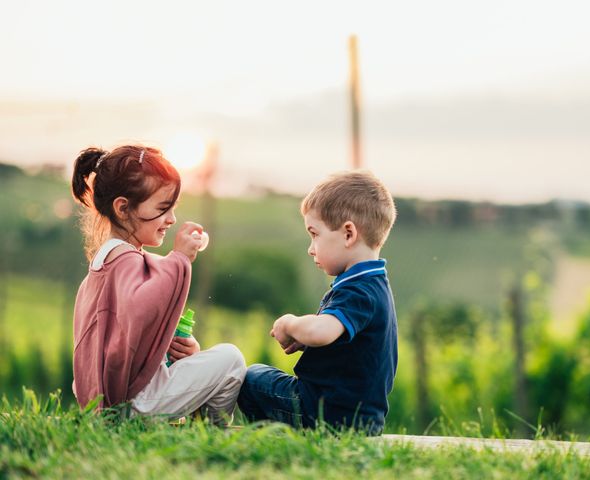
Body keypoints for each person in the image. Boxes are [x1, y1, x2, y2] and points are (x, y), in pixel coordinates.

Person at [71, 144, 246, 424]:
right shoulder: (125, 260)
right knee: (231, 359)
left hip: (109, 405)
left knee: (208, 359)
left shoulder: (104, 265)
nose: (171, 219)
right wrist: (179, 260)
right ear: (123, 208)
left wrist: (175, 348)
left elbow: (129, 333)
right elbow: (143, 310)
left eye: (173, 208)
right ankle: (214, 433)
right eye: (163, 208)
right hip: (136, 405)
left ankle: (198, 425)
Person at [237, 170, 398, 435]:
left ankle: (272, 438)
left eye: (315, 234)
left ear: (348, 234)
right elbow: (340, 343)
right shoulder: (373, 284)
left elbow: (320, 331)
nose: (311, 248)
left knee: (253, 379)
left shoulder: (359, 289)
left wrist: (289, 324)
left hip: (325, 414)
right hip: (360, 420)